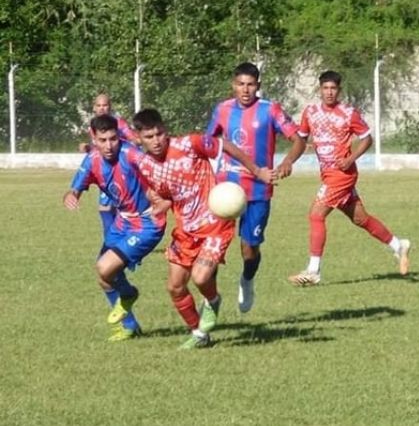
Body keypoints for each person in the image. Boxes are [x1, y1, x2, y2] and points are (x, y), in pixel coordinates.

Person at [131, 108, 275, 349]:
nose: (156, 141)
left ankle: (213, 299)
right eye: (149, 137)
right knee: (175, 287)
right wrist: (162, 203)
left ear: (165, 130)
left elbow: (225, 145)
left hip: (214, 223)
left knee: (200, 277)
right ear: (139, 138)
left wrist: (257, 170)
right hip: (186, 229)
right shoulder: (146, 166)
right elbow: (169, 193)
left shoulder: (190, 144)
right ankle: (200, 334)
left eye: (159, 134)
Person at [288, 70, 411, 287]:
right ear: (320, 89)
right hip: (328, 173)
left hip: (342, 175)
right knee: (361, 219)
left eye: (333, 88)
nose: (329, 92)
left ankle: (314, 270)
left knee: (316, 215)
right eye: (325, 88)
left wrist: (351, 158)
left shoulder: (348, 113)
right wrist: (289, 160)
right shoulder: (310, 112)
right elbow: (301, 139)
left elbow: (367, 139)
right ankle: (398, 245)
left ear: (339, 90)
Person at [206, 62, 306, 313]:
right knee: (213, 246)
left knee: (249, 249)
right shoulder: (223, 110)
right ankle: (209, 295)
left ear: (258, 86)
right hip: (225, 188)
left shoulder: (270, 110)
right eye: (240, 84)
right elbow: (209, 142)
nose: (245, 89)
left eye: (250, 84)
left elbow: (298, 140)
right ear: (233, 85)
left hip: (259, 190)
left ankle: (247, 280)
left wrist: (287, 161)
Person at [63, 114, 168, 342]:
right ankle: (130, 327)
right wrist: (72, 196)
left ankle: (129, 294)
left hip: (147, 223)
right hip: (123, 222)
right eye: (103, 140)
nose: (109, 145)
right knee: (104, 278)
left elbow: (160, 173)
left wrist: (163, 199)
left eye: (113, 139)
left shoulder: (131, 154)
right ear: (94, 137)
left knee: (104, 267)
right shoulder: (91, 160)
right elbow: (75, 187)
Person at [79, 94, 140, 236]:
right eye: (99, 106)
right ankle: (113, 241)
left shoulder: (119, 123)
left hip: (121, 169)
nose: (102, 108)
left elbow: (133, 140)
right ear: (94, 108)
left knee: (116, 206)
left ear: (110, 107)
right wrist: (88, 148)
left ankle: (119, 240)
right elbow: (99, 148)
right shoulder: (93, 126)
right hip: (104, 170)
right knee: (106, 207)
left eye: (104, 105)